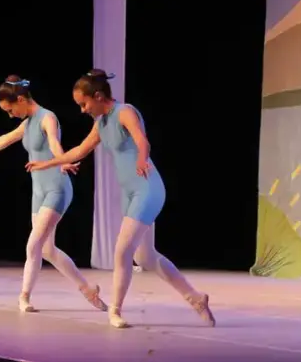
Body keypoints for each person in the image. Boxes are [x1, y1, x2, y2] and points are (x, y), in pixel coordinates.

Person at [25, 70, 215, 328]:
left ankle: (115, 310)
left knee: (122, 250)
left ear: (99, 96)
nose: (82, 110)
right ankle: (195, 297)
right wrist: (48, 162)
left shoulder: (124, 112)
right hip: (131, 194)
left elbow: (141, 140)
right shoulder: (101, 124)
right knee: (145, 256)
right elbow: (79, 150)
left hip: (148, 188)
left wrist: (141, 157)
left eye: (84, 104)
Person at [0, 75, 108, 313]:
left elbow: (54, 142)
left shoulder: (47, 117)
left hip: (57, 187)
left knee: (33, 244)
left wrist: (62, 161)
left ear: (20, 99)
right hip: (39, 192)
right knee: (47, 249)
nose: (10, 114)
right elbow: (7, 138)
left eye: (10, 109)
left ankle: (24, 297)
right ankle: (88, 289)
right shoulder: (27, 123)